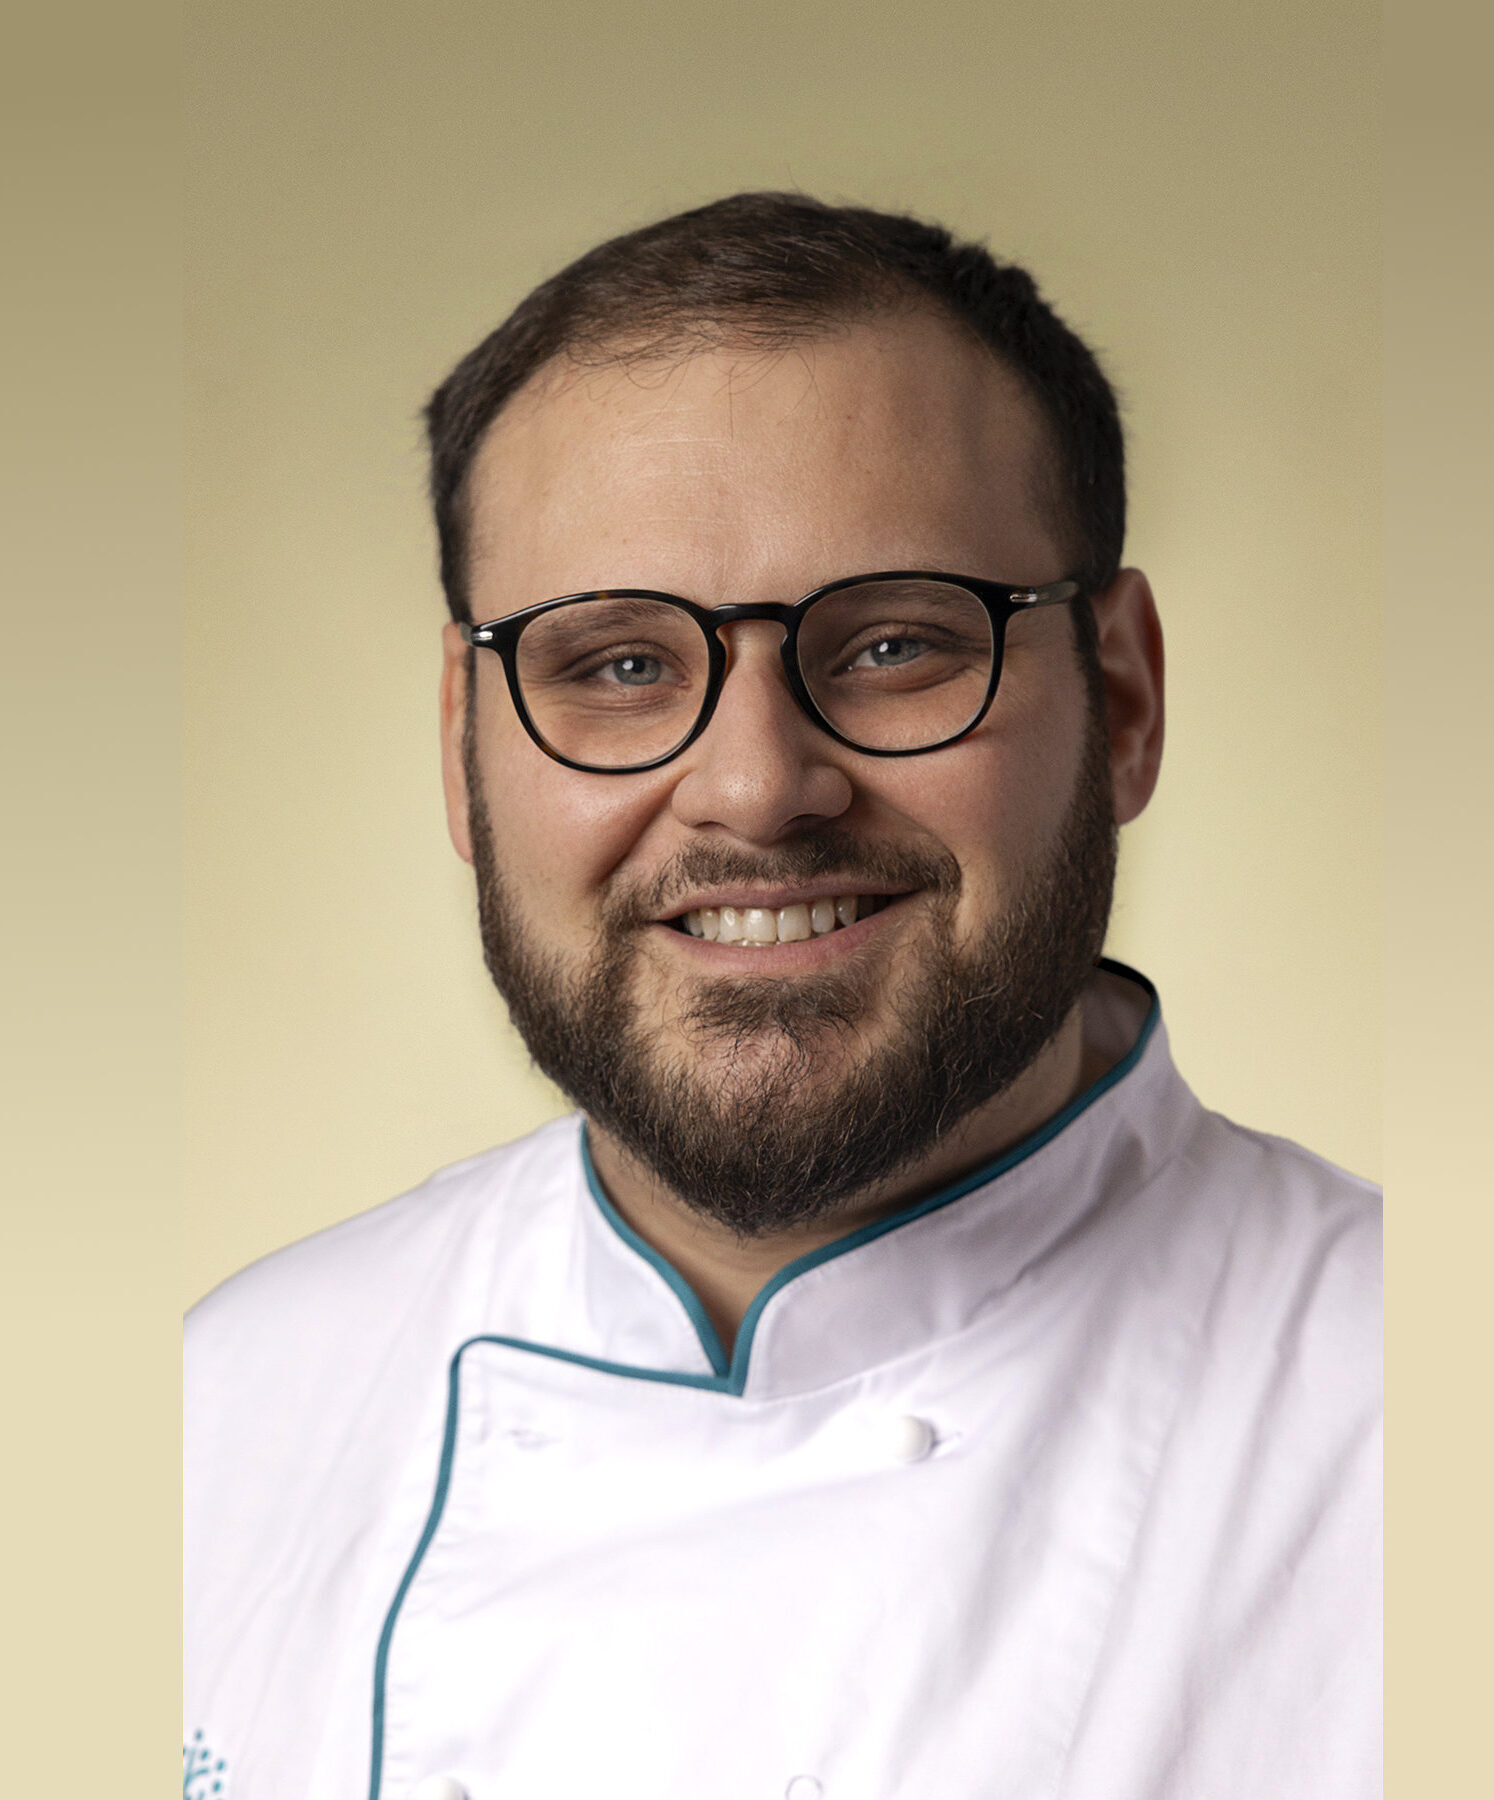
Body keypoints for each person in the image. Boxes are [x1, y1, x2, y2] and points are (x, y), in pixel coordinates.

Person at [184, 193, 1380, 1800]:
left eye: (892, 645)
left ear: (1121, 699)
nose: (753, 788)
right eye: (617, 666)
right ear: (464, 749)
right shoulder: (220, 1411)